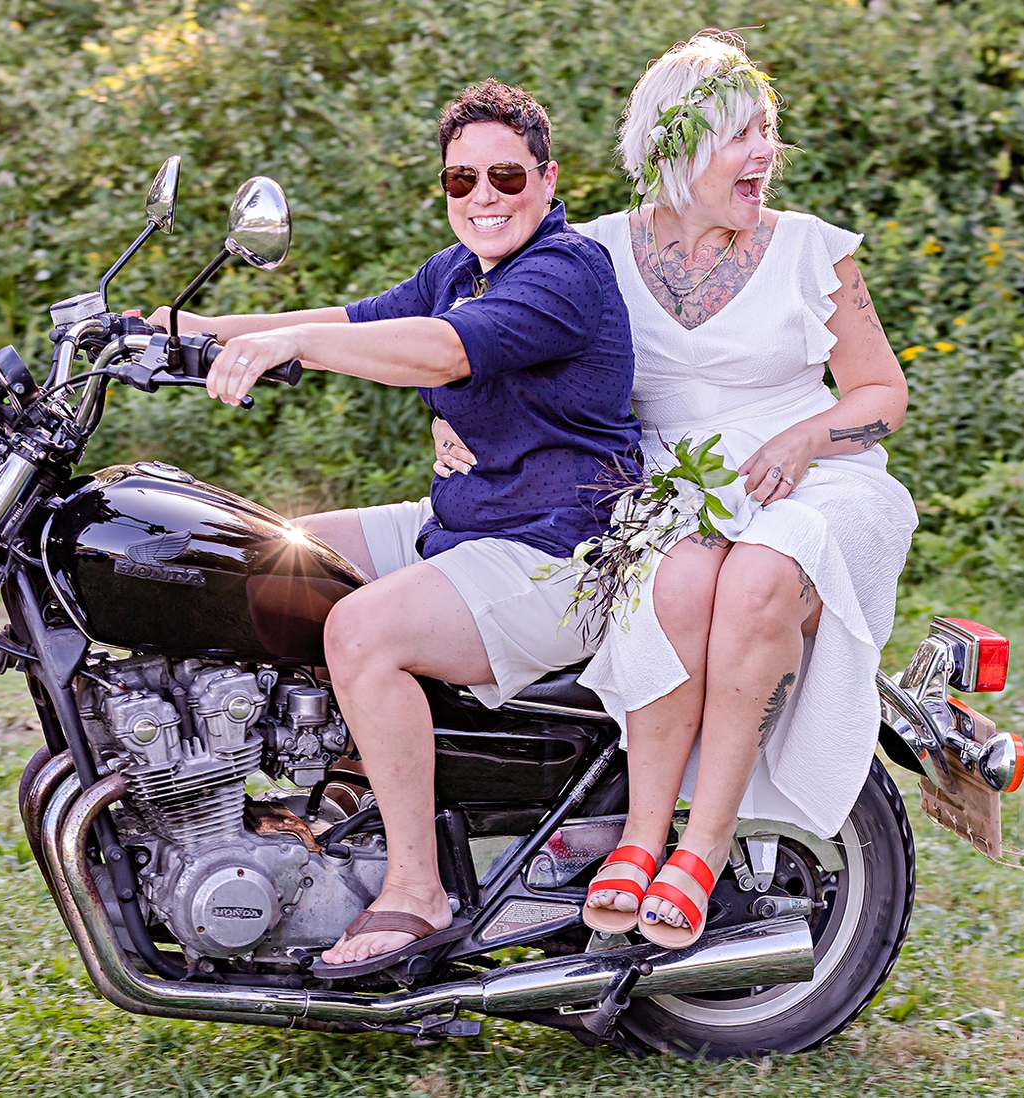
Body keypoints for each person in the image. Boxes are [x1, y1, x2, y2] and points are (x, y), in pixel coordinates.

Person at [431, 31, 915, 949]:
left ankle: (700, 845)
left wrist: (811, 434)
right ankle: (637, 838)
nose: (764, 154)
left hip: (814, 481)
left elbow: (882, 397)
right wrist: (451, 411)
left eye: (768, 132)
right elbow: (486, 334)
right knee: (679, 585)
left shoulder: (814, 251)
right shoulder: (596, 253)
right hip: (668, 489)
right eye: (741, 135)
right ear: (673, 146)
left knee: (764, 573)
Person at [160, 80, 640, 975]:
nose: (484, 196)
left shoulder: (568, 271)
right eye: (462, 181)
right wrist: (180, 329)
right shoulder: (455, 272)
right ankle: (343, 788)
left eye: (505, 175)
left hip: (563, 551)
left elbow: (444, 350)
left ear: (547, 177)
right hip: (469, 521)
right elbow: (340, 322)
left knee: (361, 628)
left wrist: (291, 349)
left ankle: (415, 889)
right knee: (270, 560)